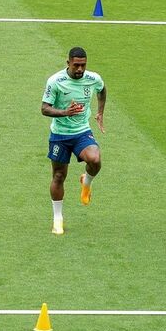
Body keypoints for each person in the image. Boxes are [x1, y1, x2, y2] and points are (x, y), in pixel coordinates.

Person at [40, 46, 106, 235]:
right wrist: (65, 112)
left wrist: (100, 112)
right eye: (76, 65)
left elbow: (102, 90)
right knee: (59, 176)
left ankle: (86, 182)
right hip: (60, 135)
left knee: (95, 160)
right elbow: (44, 108)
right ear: (68, 63)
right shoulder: (55, 81)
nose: (80, 69)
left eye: (83, 65)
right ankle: (57, 218)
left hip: (81, 132)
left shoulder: (93, 78)